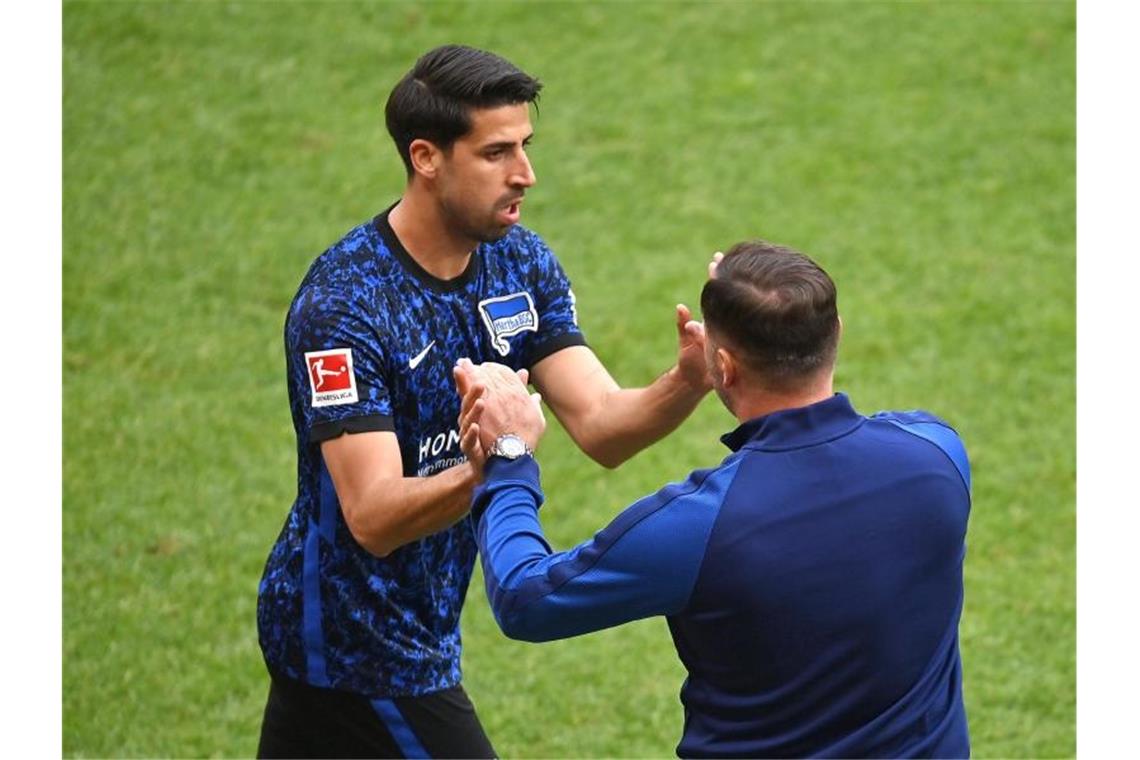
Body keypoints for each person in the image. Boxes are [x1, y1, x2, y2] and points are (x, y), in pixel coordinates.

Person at [255, 44, 712, 758]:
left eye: (525, 146)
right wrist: (500, 458)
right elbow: (372, 516)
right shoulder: (345, 305)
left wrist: (690, 379)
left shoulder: (519, 260)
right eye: (496, 152)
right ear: (426, 157)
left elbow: (602, 427)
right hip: (354, 645)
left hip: (413, 633)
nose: (525, 174)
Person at [458, 241, 972, 758]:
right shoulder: (938, 453)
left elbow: (526, 600)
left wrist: (509, 457)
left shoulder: (699, 527)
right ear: (836, 332)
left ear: (722, 368)